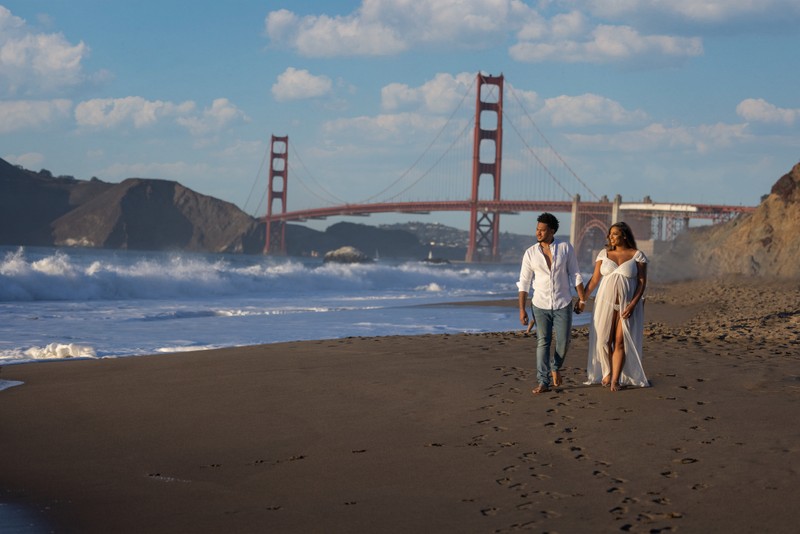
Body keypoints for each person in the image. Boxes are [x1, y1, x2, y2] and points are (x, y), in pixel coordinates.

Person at [518, 213, 587, 395]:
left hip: (563, 302)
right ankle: (543, 381)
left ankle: (555, 366)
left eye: (542, 230)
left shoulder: (565, 248)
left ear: (552, 230)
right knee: (543, 342)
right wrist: (522, 309)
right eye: (537, 229)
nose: (538, 233)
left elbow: (575, 275)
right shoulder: (530, 253)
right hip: (539, 304)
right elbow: (524, 283)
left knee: (563, 342)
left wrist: (582, 299)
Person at [582, 222, 650, 391]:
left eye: (615, 234)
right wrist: (582, 299)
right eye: (610, 234)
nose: (610, 237)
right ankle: (606, 371)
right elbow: (594, 280)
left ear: (624, 236)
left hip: (627, 305)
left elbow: (642, 283)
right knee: (603, 341)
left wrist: (633, 304)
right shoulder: (604, 254)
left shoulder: (637, 256)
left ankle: (615, 380)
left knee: (620, 342)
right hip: (604, 303)